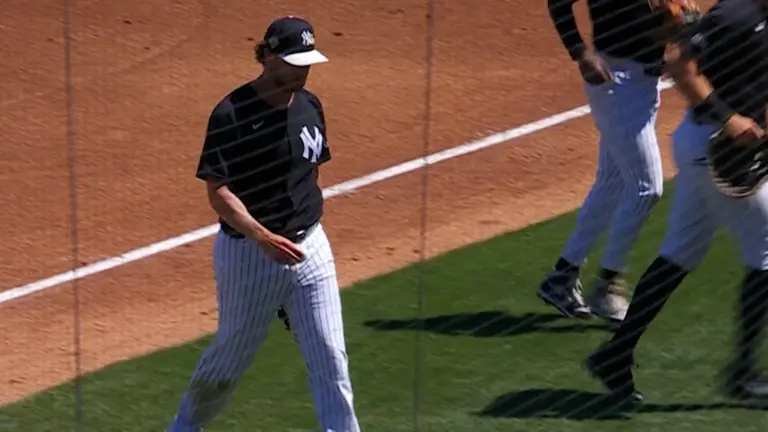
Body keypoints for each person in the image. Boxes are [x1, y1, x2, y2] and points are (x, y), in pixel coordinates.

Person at [166, 16, 361, 432]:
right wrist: (263, 236)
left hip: (311, 248)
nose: (302, 70)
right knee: (230, 358)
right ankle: (184, 426)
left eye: (307, 62)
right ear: (268, 56)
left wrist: (302, 236)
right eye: (293, 61)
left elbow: (310, 174)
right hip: (250, 256)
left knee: (331, 356)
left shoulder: (310, 106)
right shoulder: (232, 113)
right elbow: (217, 192)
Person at [586, 0, 768, 404]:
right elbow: (679, 62)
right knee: (766, 253)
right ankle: (743, 373)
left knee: (680, 252)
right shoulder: (737, 14)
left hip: (721, 148)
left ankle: (615, 354)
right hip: (712, 145)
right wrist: (729, 117)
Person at [542, 0, 670, 322]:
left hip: (646, 84)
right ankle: (608, 285)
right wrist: (580, 53)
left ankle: (562, 277)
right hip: (614, 79)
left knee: (612, 183)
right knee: (647, 188)